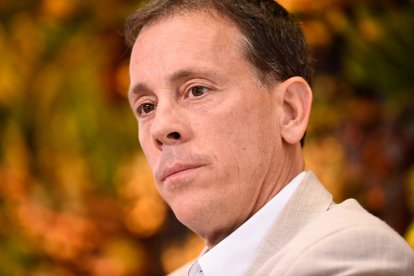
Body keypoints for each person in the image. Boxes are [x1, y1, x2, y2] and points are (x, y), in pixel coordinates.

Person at [124, 0, 414, 275]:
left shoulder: (354, 256)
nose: (160, 128)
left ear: (291, 111)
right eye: (146, 107)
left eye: (197, 90)